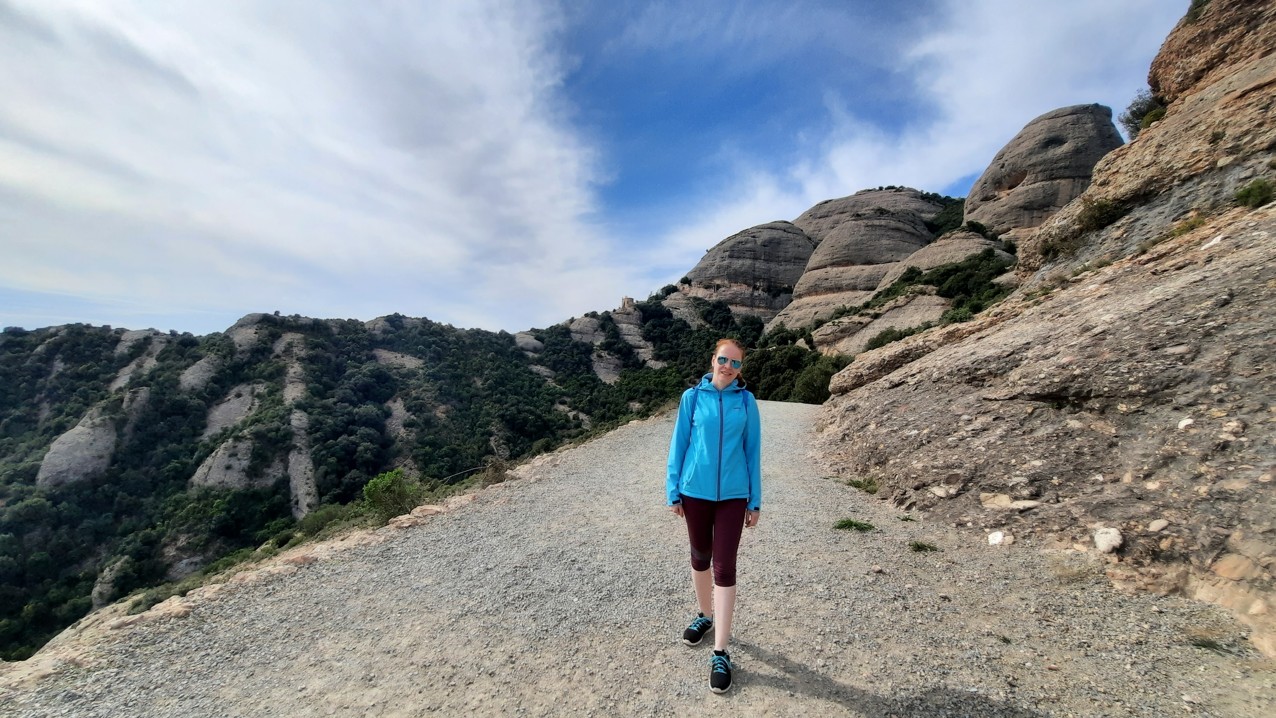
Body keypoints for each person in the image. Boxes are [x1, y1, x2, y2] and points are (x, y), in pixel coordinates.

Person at [665, 338, 762, 694]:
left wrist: (755, 501)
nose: (728, 367)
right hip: (695, 492)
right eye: (723, 359)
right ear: (713, 360)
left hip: (734, 496)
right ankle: (704, 615)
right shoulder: (692, 398)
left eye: (735, 363)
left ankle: (721, 651)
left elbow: (753, 452)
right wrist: (673, 489)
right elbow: (679, 444)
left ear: (741, 368)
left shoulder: (746, 402)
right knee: (699, 556)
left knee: (724, 566)